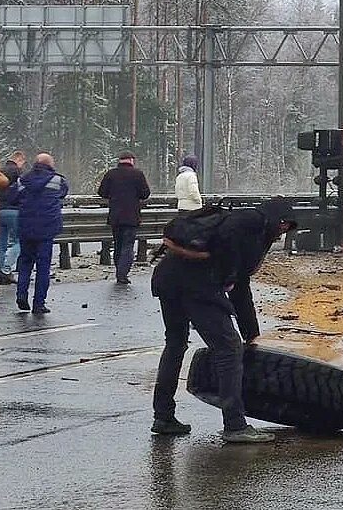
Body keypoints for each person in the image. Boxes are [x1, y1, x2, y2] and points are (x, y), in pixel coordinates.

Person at [151, 198, 297, 443]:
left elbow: (240, 285)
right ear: (276, 217)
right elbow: (235, 271)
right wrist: (224, 266)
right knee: (229, 349)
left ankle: (163, 416)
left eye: (288, 228)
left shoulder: (248, 227)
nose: (283, 231)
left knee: (175, 345)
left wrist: (250, 331)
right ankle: (235, 425)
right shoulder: (253, 222)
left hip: (169, 279)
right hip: (196, 286)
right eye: (284, 224)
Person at [8, 153, 69, 313]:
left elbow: (12, 197)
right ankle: (39, 303)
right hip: (47, 229)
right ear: (50, 165)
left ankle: (21, 295)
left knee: (26, 263)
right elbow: (63, 193)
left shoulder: (23, 180)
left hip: (26, 227)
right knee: (43, 267)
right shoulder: (58, 180)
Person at [97, 151, 152, 285]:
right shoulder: (137, 174)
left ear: (119, 160)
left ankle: (119, 271)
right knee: (128, 245)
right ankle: (122, 273)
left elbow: (101, 192)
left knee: (118, 244)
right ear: (132, 160)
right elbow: (145, 194)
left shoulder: (111, 174)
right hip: (132, 216)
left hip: (115, 216)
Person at [0, 151, 24, 285]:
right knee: (19, 241)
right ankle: (7, 268)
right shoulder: (17, 173)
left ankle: (2, 273)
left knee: (2, 244)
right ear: (19, 160)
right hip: (14, 211)